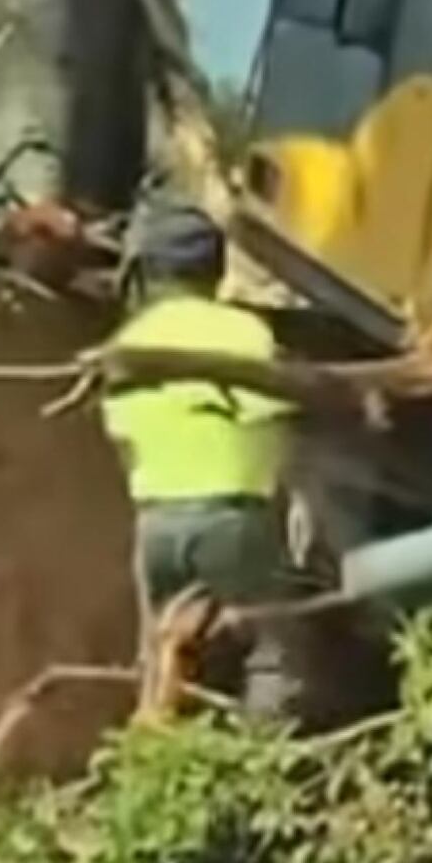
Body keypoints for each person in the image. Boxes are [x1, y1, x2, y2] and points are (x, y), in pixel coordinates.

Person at [100, 199, 316, 725]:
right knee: (271, 652)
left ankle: (161, 762)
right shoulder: (245, 335)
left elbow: (123, 438)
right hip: (234, 522)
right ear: (216, 269)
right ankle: (258, 762)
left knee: (164, 655)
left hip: (155, 526)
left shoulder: (128, 345)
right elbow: (279, 421)